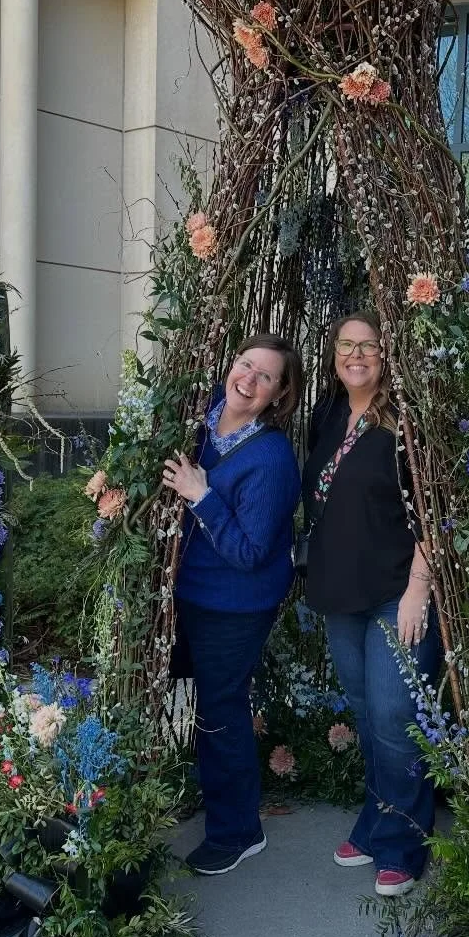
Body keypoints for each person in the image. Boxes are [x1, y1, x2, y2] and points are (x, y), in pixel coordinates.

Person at [301, 311, 441, 897]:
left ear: (388, 354)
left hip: (394, 594)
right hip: (341, 594)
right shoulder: (329, 413)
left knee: (395, 718)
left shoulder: (405, 422)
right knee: (366, 715)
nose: (354, 355)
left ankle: (405, 842)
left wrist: (418, 587)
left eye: (368, 346)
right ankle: (376, 818)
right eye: (345, 345)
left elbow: (435, 509)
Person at [162, 333, 303, 875]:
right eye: (246, 364)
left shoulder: (269, 456)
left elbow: (249, 552)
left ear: (279, 393)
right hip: (189, 591)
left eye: (266, 376)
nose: (249, 378)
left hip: (235, 603)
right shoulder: (202, 422)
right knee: (203, 704)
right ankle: (216, 797)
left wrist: (202, 496)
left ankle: (238, 831)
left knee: (220, 709)